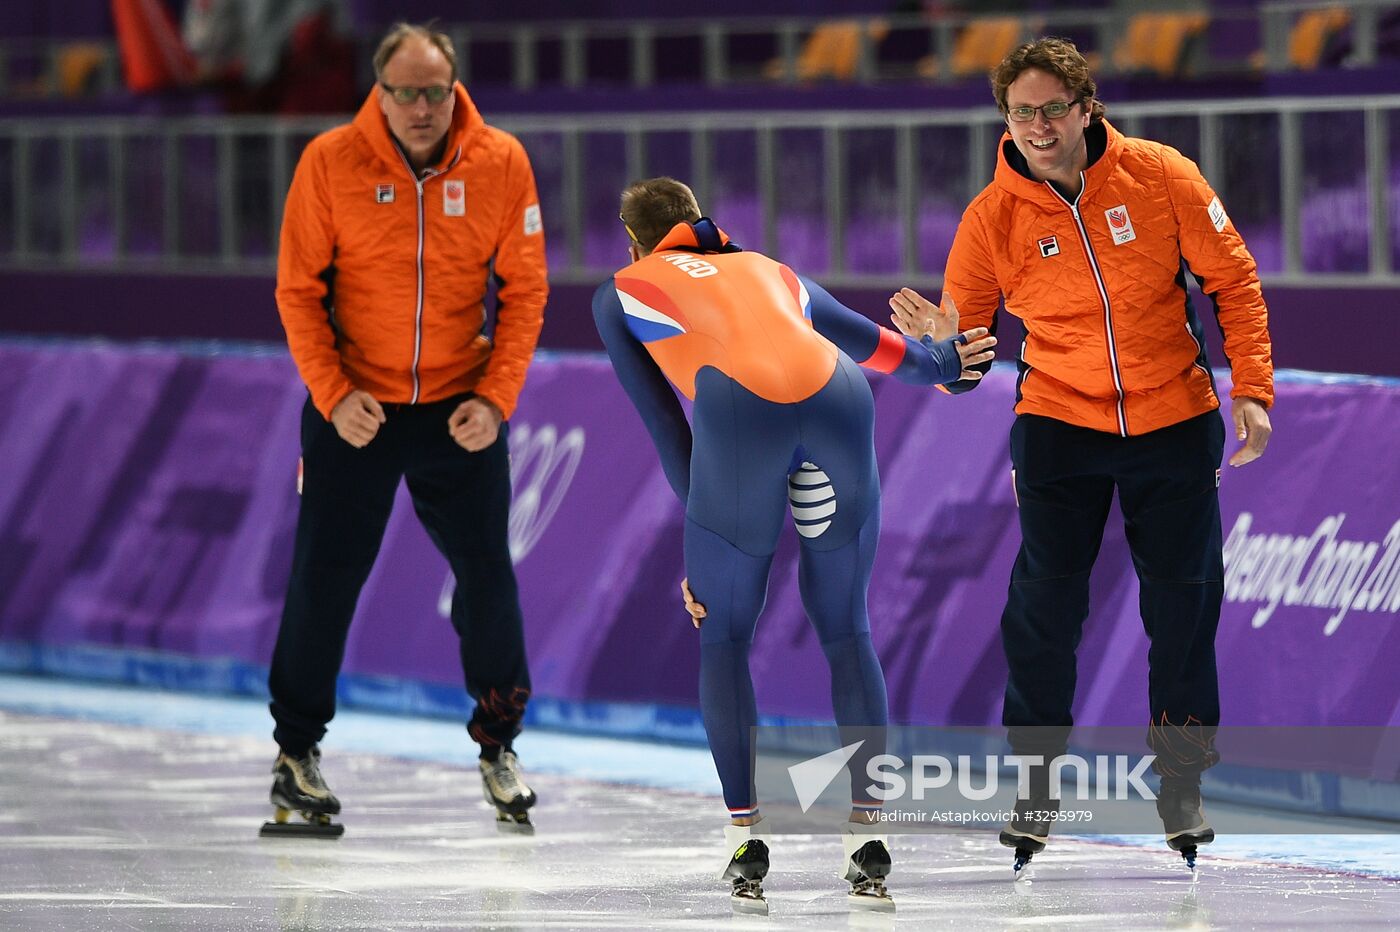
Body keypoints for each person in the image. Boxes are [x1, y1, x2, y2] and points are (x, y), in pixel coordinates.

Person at [889, 37, 1274, 876]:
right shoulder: (991, 218)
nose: (1037, 125)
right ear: (1005, 119)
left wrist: (1253, 389)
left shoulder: (1162, 174)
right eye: (1021, 112)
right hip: (1059, 422)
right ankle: (1034, 784)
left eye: (1052, 108)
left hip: (1173, 417)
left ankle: (1180, 787)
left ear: (1086, 107)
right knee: (1045, 610)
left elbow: (1233, 280)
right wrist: (945, 353)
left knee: (1183, 609)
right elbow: (964, 367)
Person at [593, 177, 995, 908]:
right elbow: (890, 353)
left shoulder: (621, 289)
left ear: (634, 242)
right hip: (839, 401)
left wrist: (703, 537)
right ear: (700, 222)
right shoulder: (773, 270)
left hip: (738, 418)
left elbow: (665, 425)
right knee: (847, 629)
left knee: (725, 636)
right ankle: (868, 834)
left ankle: (746, 838)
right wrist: (948, 364)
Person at [264, 22, 548, 837]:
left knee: (488, 579)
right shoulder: (329, 163)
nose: (422, 108)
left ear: (454, 89)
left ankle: (499, 748)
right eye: (405, 93)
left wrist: (496, 399)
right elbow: (297, 292)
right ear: (379, 93)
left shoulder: (500, 161)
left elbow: (525, 292)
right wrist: (331, 392)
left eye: (435, 92)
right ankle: (296, 752)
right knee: (325, 577)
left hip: (459, 410)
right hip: (355, 412)